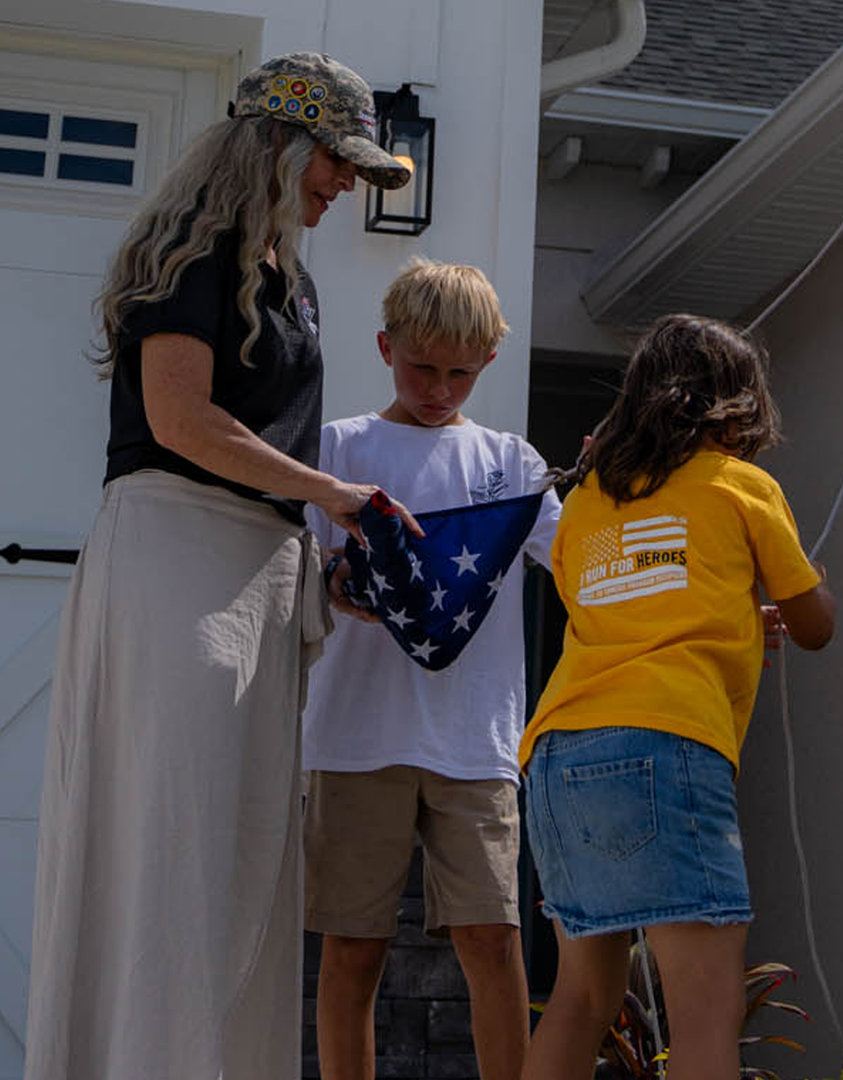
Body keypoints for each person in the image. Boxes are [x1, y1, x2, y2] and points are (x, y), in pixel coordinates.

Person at [23, 53, 418, 1080]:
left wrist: (321, 570)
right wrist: (332, 493)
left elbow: (259, 450)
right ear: (278, 146)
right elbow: (181, 422)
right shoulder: (192, 254)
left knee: (239, 863)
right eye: (337, 160)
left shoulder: (293, 280)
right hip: (178, 565)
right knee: (174, 845)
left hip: (259, 575)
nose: (346, 184)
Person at [518, 315, 836, 1080]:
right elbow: (816, 626)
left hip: (559, 751)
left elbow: (615, 605)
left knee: (581, 997)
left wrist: (729, 611)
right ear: (737, 407)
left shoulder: (586, 500)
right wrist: (794, 592)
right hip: (668, 742)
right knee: (706, 1009)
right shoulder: (741, 485)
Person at [303, 258, 558, 1080]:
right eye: (421, 367)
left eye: (461, 373)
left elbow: (584, 568)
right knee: (352, 949)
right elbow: (287, 570)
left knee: (494, 939)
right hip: (353, 736)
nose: (440, 389)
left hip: (476, 742)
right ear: (385, 347)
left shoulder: (514, 464)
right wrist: (330, 581)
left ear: (489, 362)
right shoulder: (336, 449)